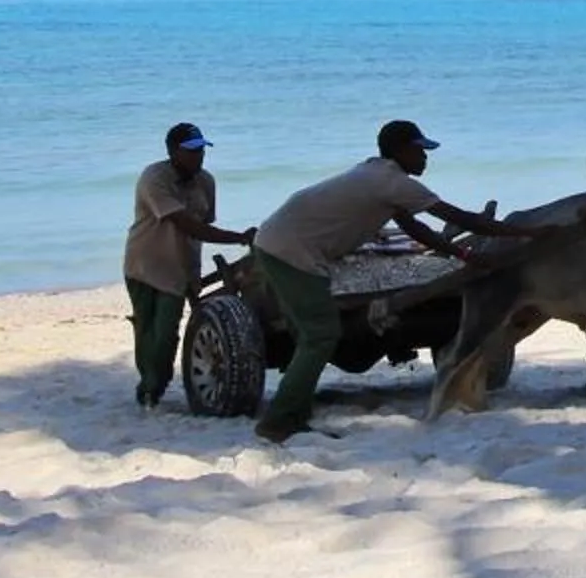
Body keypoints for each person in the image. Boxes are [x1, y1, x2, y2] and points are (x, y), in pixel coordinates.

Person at [245, 117, 541, 443]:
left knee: (313, 333)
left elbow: (417, 230)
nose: (425, 157)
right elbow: (460, 218)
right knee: (320, 335)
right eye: (420, 150)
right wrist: (528, 231)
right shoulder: (394, 183)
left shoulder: (379, 176)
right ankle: (279, 421)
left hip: (281, 241)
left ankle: (295, 413)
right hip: (290, 250)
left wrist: (464, 256)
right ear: (400, 151)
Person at [122, 120, 256, 410]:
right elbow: (188, 225)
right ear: (172, 151)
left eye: (201, 150)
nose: (198, 157)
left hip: (178, 268)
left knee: (166, 333)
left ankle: (154, 384)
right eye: (191, 151)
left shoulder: (206, 181)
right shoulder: (154, 178)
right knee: (146, 329)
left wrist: (194, 270)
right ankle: (149, 389)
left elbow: (202, 225)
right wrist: (239, 238)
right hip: (144, 264)